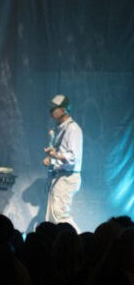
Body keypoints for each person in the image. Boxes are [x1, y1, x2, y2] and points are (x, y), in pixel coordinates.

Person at [43, 94, 82, 231]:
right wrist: (52, 159)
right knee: (53, 216)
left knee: (60, 216)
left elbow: (72, 158)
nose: (51, 112)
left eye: (54, 108)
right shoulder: (60, 128)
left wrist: (56, 156)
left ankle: (78, 243)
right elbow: (62, 154)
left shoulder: (72, 128)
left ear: (64, 110)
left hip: (68, 176)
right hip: (60, 176)